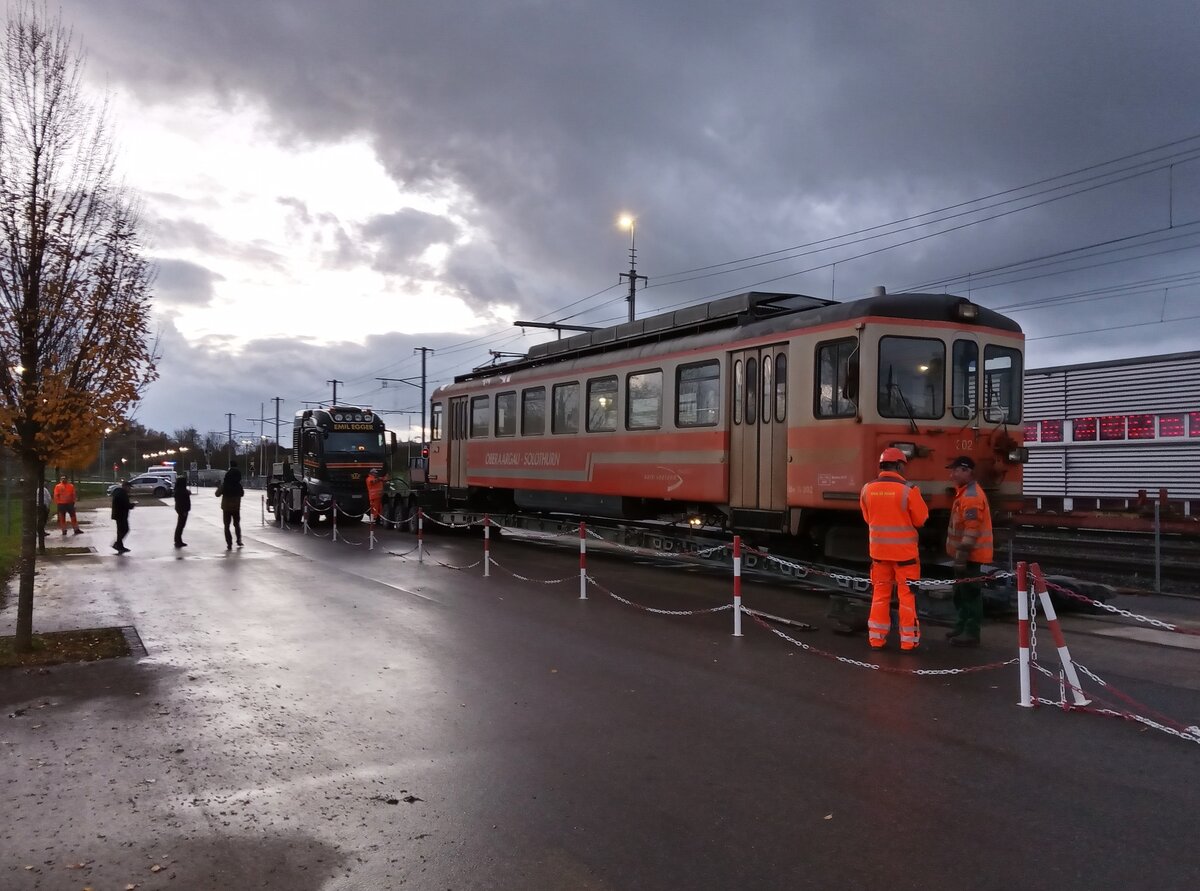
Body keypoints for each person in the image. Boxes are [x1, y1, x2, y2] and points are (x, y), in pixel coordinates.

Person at [859, 447, 929, 652]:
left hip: (879, 555)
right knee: (907, 596)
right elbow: (921, 519)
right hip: (904, 556)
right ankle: (908, 642)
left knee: (880, 595)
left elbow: (867, 518)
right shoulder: (909, 489)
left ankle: (876, 640)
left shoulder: (867, 489)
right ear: (899, 466)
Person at [945, 455, 994, 647]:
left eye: (955, 470)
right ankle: (961, 626)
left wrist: (961, 556)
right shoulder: (965, 493)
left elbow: (971, 530)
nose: (952, 475)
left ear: (966, 471)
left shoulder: (971, 497)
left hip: (969, 556)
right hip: (965, 555)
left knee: (970, 594)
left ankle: (971, 633)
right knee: (961, 592)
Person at [219, 460, 245, 550]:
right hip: (236, 507)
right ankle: (239, 540)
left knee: (227, 526)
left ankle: (229, 544)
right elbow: (242, 494)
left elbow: (217, 494)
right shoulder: (238, 485)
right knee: (237, 524)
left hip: (226, 507)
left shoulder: (225, 484)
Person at [111, 479, 133, 553]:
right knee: (125, 529)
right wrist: (131, 505)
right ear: (125, 487)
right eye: (129, 487)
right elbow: (124, 505)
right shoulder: (122, 494)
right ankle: (117, 544)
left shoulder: (120, 493)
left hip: (119, 515)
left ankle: (119, 546)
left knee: (120, 531)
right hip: (120, 515)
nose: (130, 489)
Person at [173, 474, 192, 548]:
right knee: (181, 525)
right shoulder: (182, 491)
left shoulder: (178, 490)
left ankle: (177, 540)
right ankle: (178, 540)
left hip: (180, 509)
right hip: (183, 509)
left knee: (180, 525)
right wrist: (185, 510)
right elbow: (184, 501)